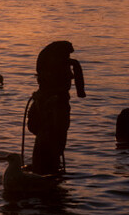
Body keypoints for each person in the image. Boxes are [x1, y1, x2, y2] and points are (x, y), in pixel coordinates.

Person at [26, 40, 85, 175]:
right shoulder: (52, 103)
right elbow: (34, 126)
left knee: (48, 159)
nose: (71, 76)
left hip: (47, 153)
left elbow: (33, 127)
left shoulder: (55, 103)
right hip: (46, 153)